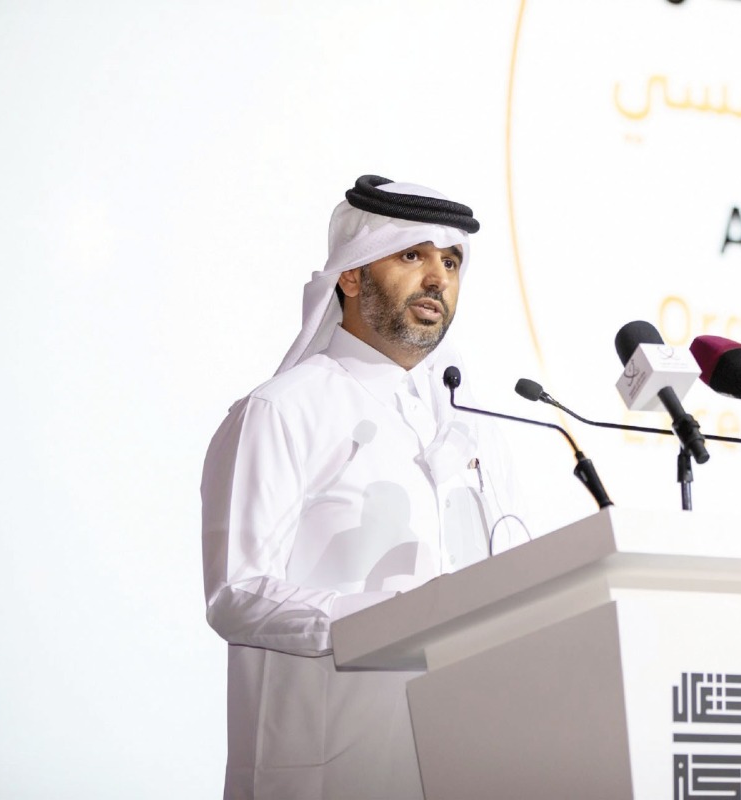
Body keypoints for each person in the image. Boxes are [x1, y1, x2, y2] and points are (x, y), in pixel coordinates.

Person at [201, 175, 526, 799]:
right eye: (413, 256)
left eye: (451, 262)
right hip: (329, 772)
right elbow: (236, 594)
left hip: (468, 763)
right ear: (351, 275)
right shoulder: (282, 411)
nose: (438, 279)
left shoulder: (479, 432)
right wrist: (403, 619)